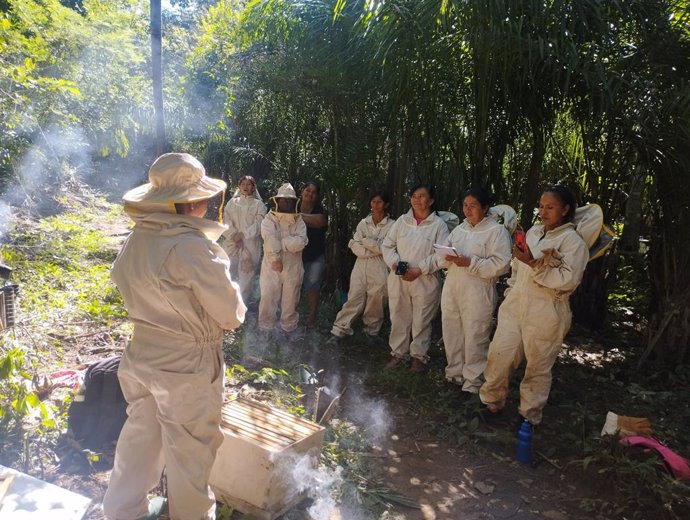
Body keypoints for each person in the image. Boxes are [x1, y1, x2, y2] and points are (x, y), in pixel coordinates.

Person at [102, 153, 246, 520]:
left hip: (141, 356)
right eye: (201, 198)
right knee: (190, 457)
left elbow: (124, 283)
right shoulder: (192, 248)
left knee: (140, 440)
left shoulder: (136, 240)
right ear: (190, 202)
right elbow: (230, 314)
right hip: (187, 365)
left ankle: (121, 513)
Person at [479, 184, 589, 425]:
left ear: (565, 209)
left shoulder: (573, 241)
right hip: (516, 306)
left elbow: (567, 280)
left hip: (547, 311)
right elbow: (517, 269)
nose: (544, 211)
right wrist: (511, 291)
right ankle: (492, 404)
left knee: (538, 368)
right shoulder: (533, 233)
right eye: (541, 206)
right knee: (500, 356)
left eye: (550, 207)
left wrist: (534, 263)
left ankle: (528, 417)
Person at [438, 188, 512, 396]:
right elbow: (443, 253)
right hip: (453, 286)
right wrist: (447, 256)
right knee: (451, 330)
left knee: (475, 334)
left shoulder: (496, 231)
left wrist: (471, 262)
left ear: (485, 207)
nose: (468, 210)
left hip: (478, 291)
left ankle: (472, 382)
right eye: (465, 205)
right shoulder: (459, 229)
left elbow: (502, 264)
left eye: (473, 206)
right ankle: (454, 374)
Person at [381, 184, 449, 372]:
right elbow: (387, 246)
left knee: (422, 319)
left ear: (431, 200)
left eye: (422, 196)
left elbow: (442, 255)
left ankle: (418, 357)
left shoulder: (438, 225)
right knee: (398, 315)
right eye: (414, 196)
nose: (417, 200)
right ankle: (398, 353)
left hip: (425, 280)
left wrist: (420, 270)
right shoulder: (402, 221)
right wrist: (396, 264)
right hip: (400, 277)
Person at [329, 191, 395, 343]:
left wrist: (366, 242)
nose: (375, 205)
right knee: (354, 297)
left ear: (386, 204)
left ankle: (371, 332)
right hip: (360, 265)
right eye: (373, 201)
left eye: (379, 202)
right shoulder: (363, 223)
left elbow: (387, 248)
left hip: (380, 267)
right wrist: (373, 248)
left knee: (376, 300)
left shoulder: (393, 225)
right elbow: (355, 247)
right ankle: (339, 330)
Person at [258, 183, 308, 335]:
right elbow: (269, 239)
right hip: (271, 265)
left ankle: (288, 329)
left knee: (291, 298)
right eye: (283, 200)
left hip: (293, 266)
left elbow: (301, 241)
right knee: (268, 295)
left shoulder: (299, 221)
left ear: (294, 202)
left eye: (289, 200)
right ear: (277, 201)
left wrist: (281, 243)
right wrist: (275, 258)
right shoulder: (269, 219)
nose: (286, 202)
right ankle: (265, 328)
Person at [221, 176, 267, 306]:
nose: (246, 187)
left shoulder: (259, 205)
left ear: (253, 187)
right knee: (226, 272)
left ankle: (240, 308)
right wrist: (234, 235)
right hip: (231, 243)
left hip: (250, 246)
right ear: (239, 186)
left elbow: (260, 224)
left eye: (249, 184)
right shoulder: (232, 203)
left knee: (246, 277)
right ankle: (225, 304)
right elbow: (226, 221)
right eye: (243, 184)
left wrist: (243, 235)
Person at [299, 181, 328, 328]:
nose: (310, 194)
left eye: (314, 192)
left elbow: (319, 222)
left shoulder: (319, 209)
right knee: (292, 285)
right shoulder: (293, 205)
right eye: (307, 190)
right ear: (302, 191)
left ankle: (312, 316)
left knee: (312, 285)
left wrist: (296, 216)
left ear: (317, 196)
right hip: (295, 254)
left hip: (315, 255)